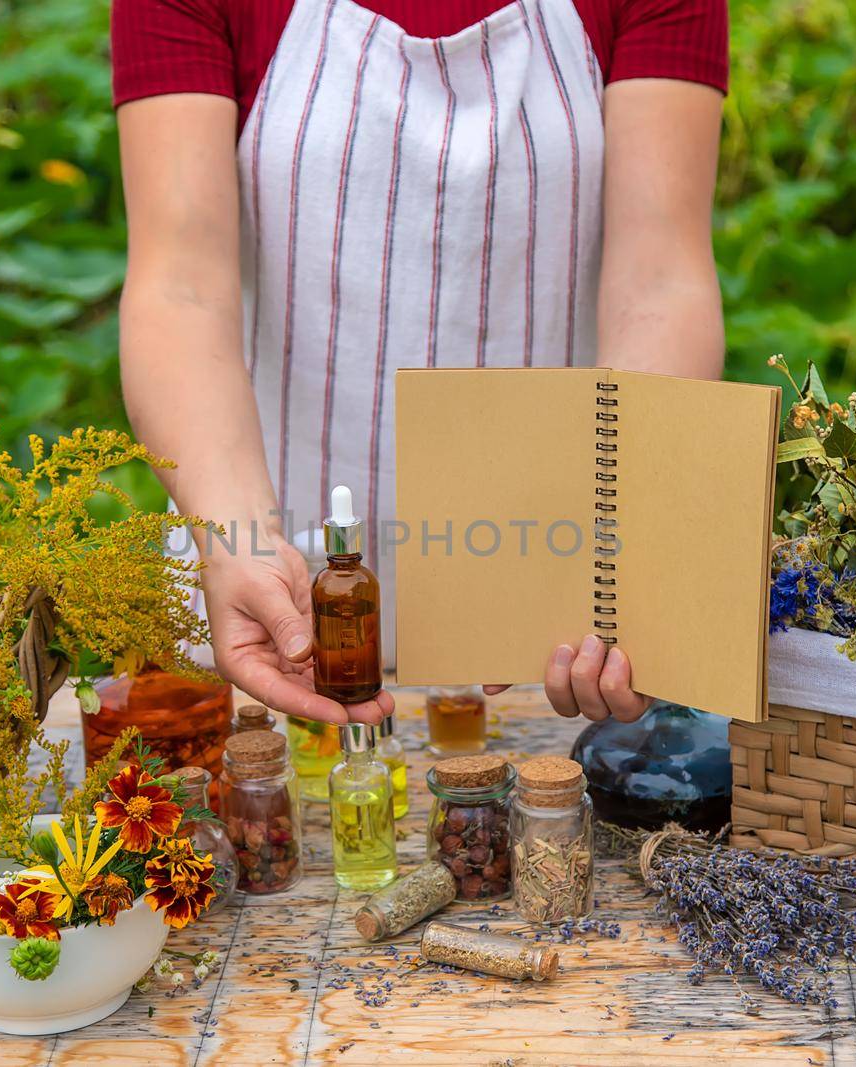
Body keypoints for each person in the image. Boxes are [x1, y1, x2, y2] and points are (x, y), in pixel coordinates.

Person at [112, 0, 726, 728]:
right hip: (262, 602)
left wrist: (618, 540)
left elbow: (661, 277)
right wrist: (237, 539)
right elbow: (180, 286)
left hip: (547, 636)